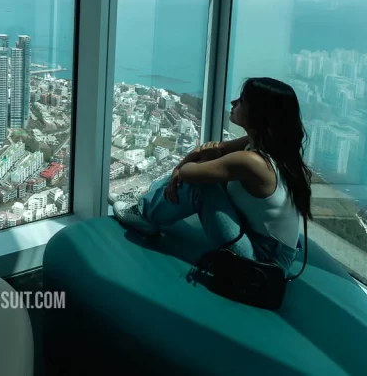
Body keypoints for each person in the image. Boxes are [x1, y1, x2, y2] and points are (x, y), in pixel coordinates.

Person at [110, 77, 312, 273]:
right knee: (206, 171)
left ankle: (144, 213)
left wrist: (182, 170)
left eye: (241, 100)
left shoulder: (253, 162)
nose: (232, 103)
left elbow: (193, 172)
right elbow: (215, 148)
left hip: (261, 262)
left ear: (258, 114)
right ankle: (148, 197)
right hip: (270, 249)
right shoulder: (271, 149)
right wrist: (184, 166)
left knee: (201, 185)